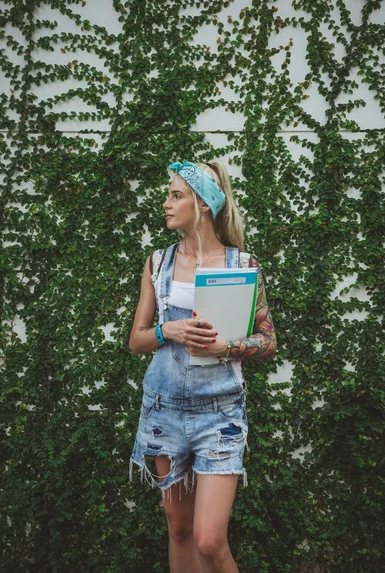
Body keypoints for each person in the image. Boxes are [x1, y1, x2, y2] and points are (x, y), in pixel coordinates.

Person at [129, 160, 277, 573]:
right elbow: (136, 340)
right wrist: (169, 330)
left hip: (221, 414)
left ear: (205, 205)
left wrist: (228, 345)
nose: (165, 203)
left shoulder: (242, 266)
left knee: (209, 539)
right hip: (164, 411)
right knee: (179, 531)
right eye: (168, 194)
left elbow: (269, 340)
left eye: (176, 195)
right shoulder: (157, 263)